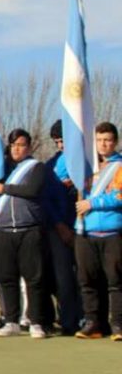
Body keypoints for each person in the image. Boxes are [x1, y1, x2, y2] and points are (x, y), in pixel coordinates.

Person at [0, 129, 48, 339]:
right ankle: (11, 321)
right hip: (4, 230)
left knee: (33, 278)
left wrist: (4, 188)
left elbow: (32, 190)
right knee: (6, 277)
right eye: (13, 145)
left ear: (28, 147)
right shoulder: (1, 170)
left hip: (29, 228)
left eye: (21, 145)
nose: (16, 149)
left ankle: (35, 321)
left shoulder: (36, 167)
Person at [74, 121, 122, 341]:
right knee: (87, 280)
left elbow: (119, 196)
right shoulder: (86, 166)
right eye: (99, 140)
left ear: (115, 142)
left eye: (108, 140)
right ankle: (93, 322)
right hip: (86, 232)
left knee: (116, 281)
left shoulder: (119, 166)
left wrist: (92, 203)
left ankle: (118, 324)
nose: (103, 144)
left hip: (112, 232)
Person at [43, 120, 82, 335]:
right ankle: (68, 320)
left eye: (63, 140)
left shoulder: (90, 160)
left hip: (86, 227)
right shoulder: (50, 166)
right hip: (59, 229)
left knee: (87, 276)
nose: (60, 145)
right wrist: (60, 226)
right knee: (63, 276)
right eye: (57, 141)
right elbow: (46, 200)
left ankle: (93, 319)